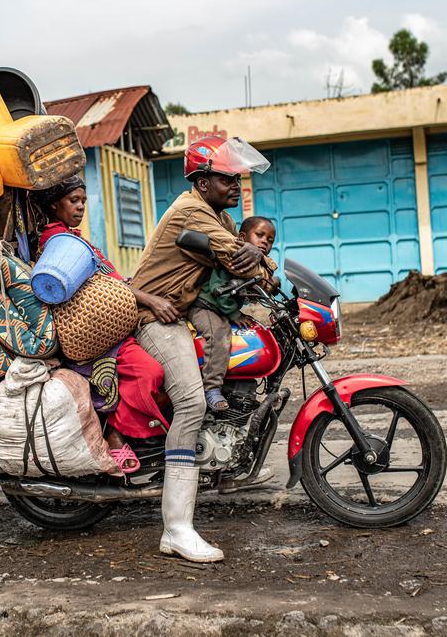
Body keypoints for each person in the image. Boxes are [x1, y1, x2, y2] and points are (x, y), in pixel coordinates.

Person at [130, 135, 274, 563]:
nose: (235, 184)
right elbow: (238, 257)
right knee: (192, 402)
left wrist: (262, 266)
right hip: (157, 317)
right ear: (202, 180)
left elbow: (252, 257)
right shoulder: (192, 210)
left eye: (237, 177)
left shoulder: (218, 215)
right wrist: (258, 262)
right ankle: (176, 529)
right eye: (226, 177)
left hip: (185, 312)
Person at [37, 176, 177, 472]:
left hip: (109, 327)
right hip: (93, 335)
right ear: (53, 205)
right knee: (148, 371)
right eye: (73, 201)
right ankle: (115, 433)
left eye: (83, 202)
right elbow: (94, 285)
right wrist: (149, 300)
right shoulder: (56, 241)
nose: (80, 207)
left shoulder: (72, 237)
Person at [188, 215, 278, 411]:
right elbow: (219, 291)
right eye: (260, 235)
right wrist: (235, 315)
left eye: (270, 240)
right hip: (205, 307)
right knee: (220, 335)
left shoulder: (252, 262)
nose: (264, 242)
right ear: (243, 237)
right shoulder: (234, 257)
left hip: (219, 308)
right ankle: (211, 388)